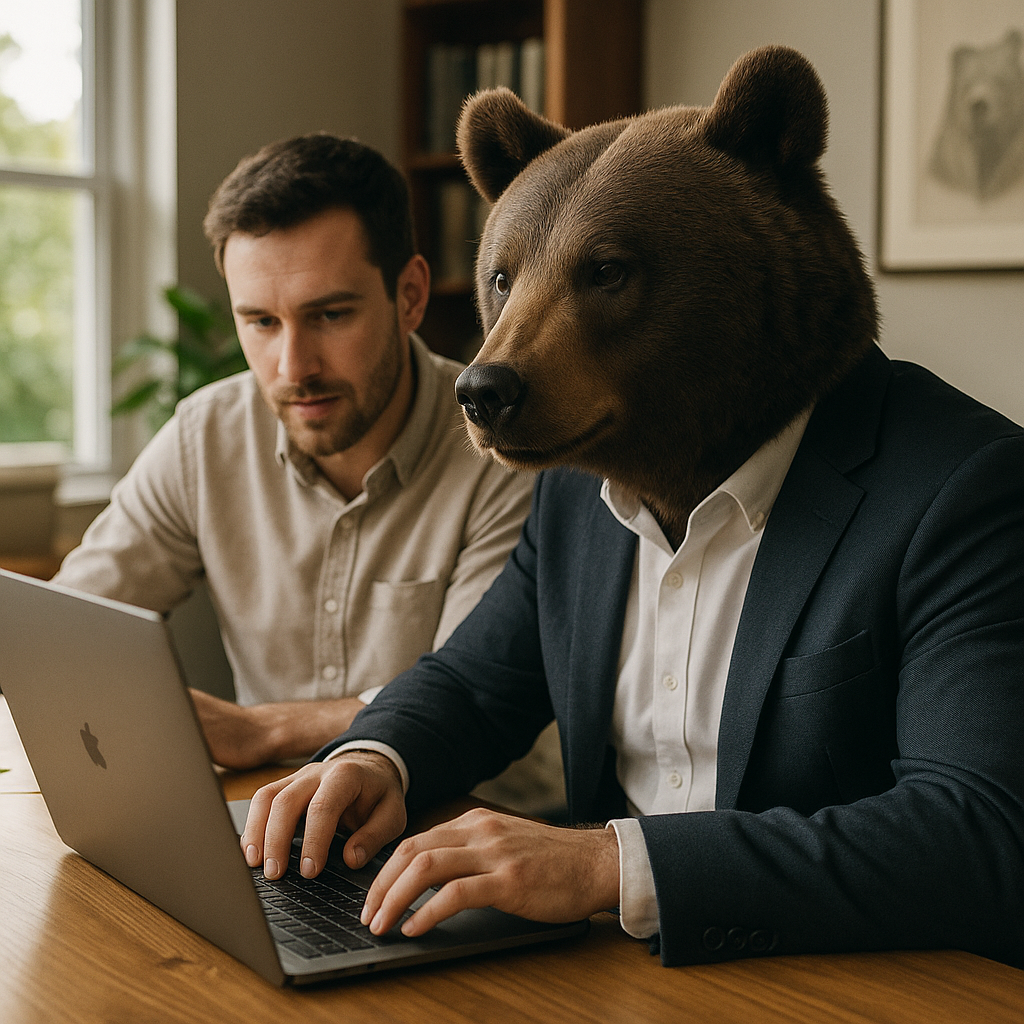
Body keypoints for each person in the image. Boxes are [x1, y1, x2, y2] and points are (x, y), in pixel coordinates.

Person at [240, 343, 1024, 968]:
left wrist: (602, 866)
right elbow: (480, 680)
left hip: (847, 978)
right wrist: (379, 757)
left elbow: (977, 833)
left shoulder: (966, 482)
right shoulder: (578, 471)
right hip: (607, 969)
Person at [54, 133, 539, 778]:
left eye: (331, 315)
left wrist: (261, 728)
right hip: (266, 817)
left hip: (461, 821)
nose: (293, 368)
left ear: (410, 296)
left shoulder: (504, 455)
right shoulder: (207, 437)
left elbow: (468, 701)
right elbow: (68, 636)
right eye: (260, 322)